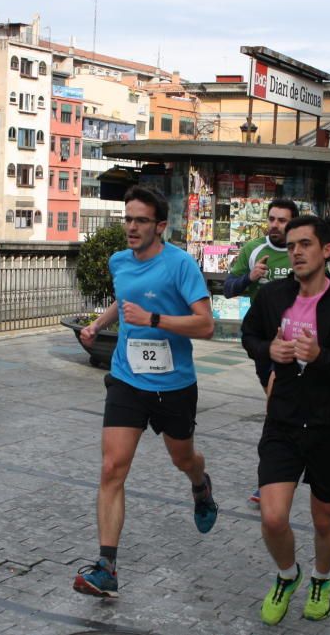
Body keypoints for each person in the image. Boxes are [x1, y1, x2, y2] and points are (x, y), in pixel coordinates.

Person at [74, 186, 218, 598]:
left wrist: (155, 319)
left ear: (159, 226)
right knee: (111, 469)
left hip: (173, 385)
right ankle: (106, 567)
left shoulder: (181, 265)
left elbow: (205, 325)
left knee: (182, 457)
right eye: (128, 219)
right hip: (127, 379)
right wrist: (98, 326)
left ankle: (200, 484)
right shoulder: (119, 261)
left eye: (140, 221)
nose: (131, 227)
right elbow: (125, 301)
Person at [241, 215, 330, 625]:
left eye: (305, 244)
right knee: (273, 515)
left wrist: (321, 358)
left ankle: (321, 577)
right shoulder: (273, 296)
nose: (296, 251)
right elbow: (249, 335)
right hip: (282, 420)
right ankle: (287, 575)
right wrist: (269, 351)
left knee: (325, 519)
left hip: (329, 424)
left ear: (326, 251)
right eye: (292, 244)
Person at [224, 198, 300, 509]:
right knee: (282, 406)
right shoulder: (253, 249)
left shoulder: (300, 249)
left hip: (298, 342)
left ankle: (269, 479)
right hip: (263, 343)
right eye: (272, 218)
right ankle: (283, 467)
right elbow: (228, 288)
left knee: (278, 405)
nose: (275, 225)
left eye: (282, 220)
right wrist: (250, 278)